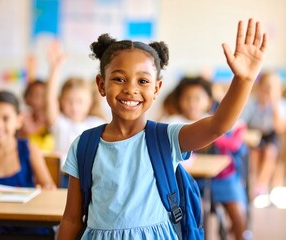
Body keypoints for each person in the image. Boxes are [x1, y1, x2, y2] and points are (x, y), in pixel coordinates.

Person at [57, 19, 266, 239]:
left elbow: (217, 126)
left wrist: (244, 80)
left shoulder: (166, 138)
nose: (130, 89)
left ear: (157, 88)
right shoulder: (85, 145)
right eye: (119, 79)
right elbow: (71, 217)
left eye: (143, 81)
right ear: (101, 85)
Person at [162, 76, 248, 240]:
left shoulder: (215, 122)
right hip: (188, 181)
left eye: (197, 98)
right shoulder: (174, 122)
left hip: (222, 178)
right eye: (187, 98)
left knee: (238, 215)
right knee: (196, 212)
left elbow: (237, 127)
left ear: (208, 102)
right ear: (179, 101)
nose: (192, 103)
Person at [0, 90, 56, 234]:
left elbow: (48, 187)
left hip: (29, 221)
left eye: (6, 118)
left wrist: (45, 190)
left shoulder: (29, 149)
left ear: (19, 121)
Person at [46, 41, 105, 187]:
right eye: (69, 101)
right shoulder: (60, 124)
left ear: (90, 102)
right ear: (61, 101)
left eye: (79, 101)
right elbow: (49, 98)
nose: (74, 106)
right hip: (63, 178)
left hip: (90, 178)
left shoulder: (96, 123)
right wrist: (55, 68)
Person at [240, 71, 286, 197]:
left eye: (272, 88)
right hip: (254, 135)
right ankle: (254, 182)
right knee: (254, 154)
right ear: (259, 87)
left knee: (270, 152)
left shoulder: (280, 104)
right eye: (266, 87)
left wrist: (274, 103)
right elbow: (242, 123)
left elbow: (279, 127)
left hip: (272, 136)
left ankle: (261, 186)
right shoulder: (252, 103)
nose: (268, 91)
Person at [19, 80, 55, 152]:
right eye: (32, 95)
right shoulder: (23, 118)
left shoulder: (52, 119)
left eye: (42, 95)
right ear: (26, 98)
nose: (36, 99)